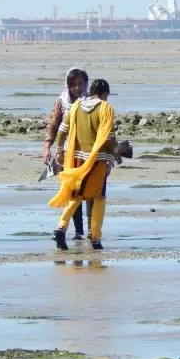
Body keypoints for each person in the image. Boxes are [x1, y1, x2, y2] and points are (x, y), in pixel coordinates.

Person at [48, 79, 118, 251]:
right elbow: (108, 138)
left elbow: (63, 130)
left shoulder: (76, 106)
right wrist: (114, 155)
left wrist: (59, 151)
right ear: (105, 94)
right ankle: (95, 237)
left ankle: (61, 228)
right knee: (99, 197)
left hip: (76, 159)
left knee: (76, 194)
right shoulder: (105, 108)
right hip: (96, 160)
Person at [43, 68, 90, 240]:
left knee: (91, 191)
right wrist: (48, 148)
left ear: (86, 84)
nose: (77, 88)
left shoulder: (92, 102)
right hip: (67, 153)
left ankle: (93, 230)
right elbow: (54, 125)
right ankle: (79, 232)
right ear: (68, 85)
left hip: (88, 153)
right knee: (73, 191)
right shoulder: (62, 101)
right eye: (73, 85)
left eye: (80, 84)